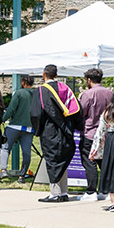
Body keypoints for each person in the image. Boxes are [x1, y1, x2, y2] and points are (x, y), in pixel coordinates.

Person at [36, 65, 82, 203]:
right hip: (66, 131)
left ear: (44, 74)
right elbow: (77, 110)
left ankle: (55, 193)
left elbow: (36, 113)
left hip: (50, 130)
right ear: (56, 75)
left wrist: (38, 129)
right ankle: (63, 192)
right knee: (63, 160)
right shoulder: (66, 89)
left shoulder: (41, 90)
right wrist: (74, 127)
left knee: (53, 161)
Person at [76, 68, 113, 199]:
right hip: (107, 132)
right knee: (104, 162)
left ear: (89, 80)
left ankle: (91, 191)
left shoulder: (87, 94)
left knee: (89, 161)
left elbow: (81, 113)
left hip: (90, 132)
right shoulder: (110, 93)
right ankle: (105, 190)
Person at [4, 77, 39, 182]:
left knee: (5, 148)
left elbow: (11, 108)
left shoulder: (19, 93)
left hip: (15, 126)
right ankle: (22, 176)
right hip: (29, 129)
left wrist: (3, 119)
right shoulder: (36, 94)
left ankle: (3, 170)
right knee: (26, 152)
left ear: (23, 83)